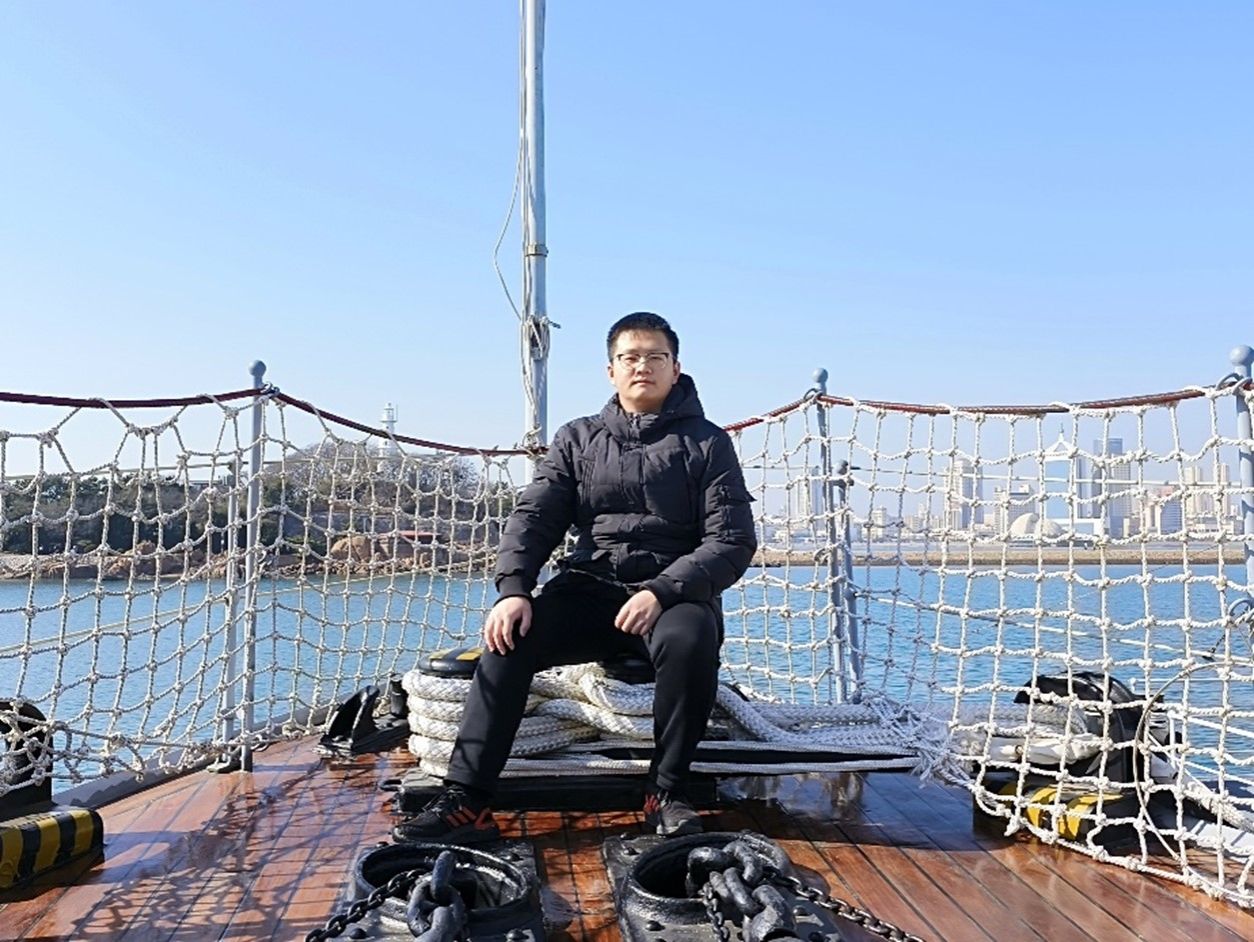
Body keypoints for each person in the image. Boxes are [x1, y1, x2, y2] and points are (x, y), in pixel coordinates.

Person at [394, 311, 757, 841]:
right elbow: (535, 518)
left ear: (675, 368)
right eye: (630, 357)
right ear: (611, 370)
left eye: (655, 357)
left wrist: (662, 591)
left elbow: (732, 540)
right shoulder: (578, 438)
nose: (643, 366)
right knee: (509, 640)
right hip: (591, 587)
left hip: (671, 596)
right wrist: (514, 589)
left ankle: (667, 791)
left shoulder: (708, 443)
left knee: (691, 639)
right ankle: (467, 800)